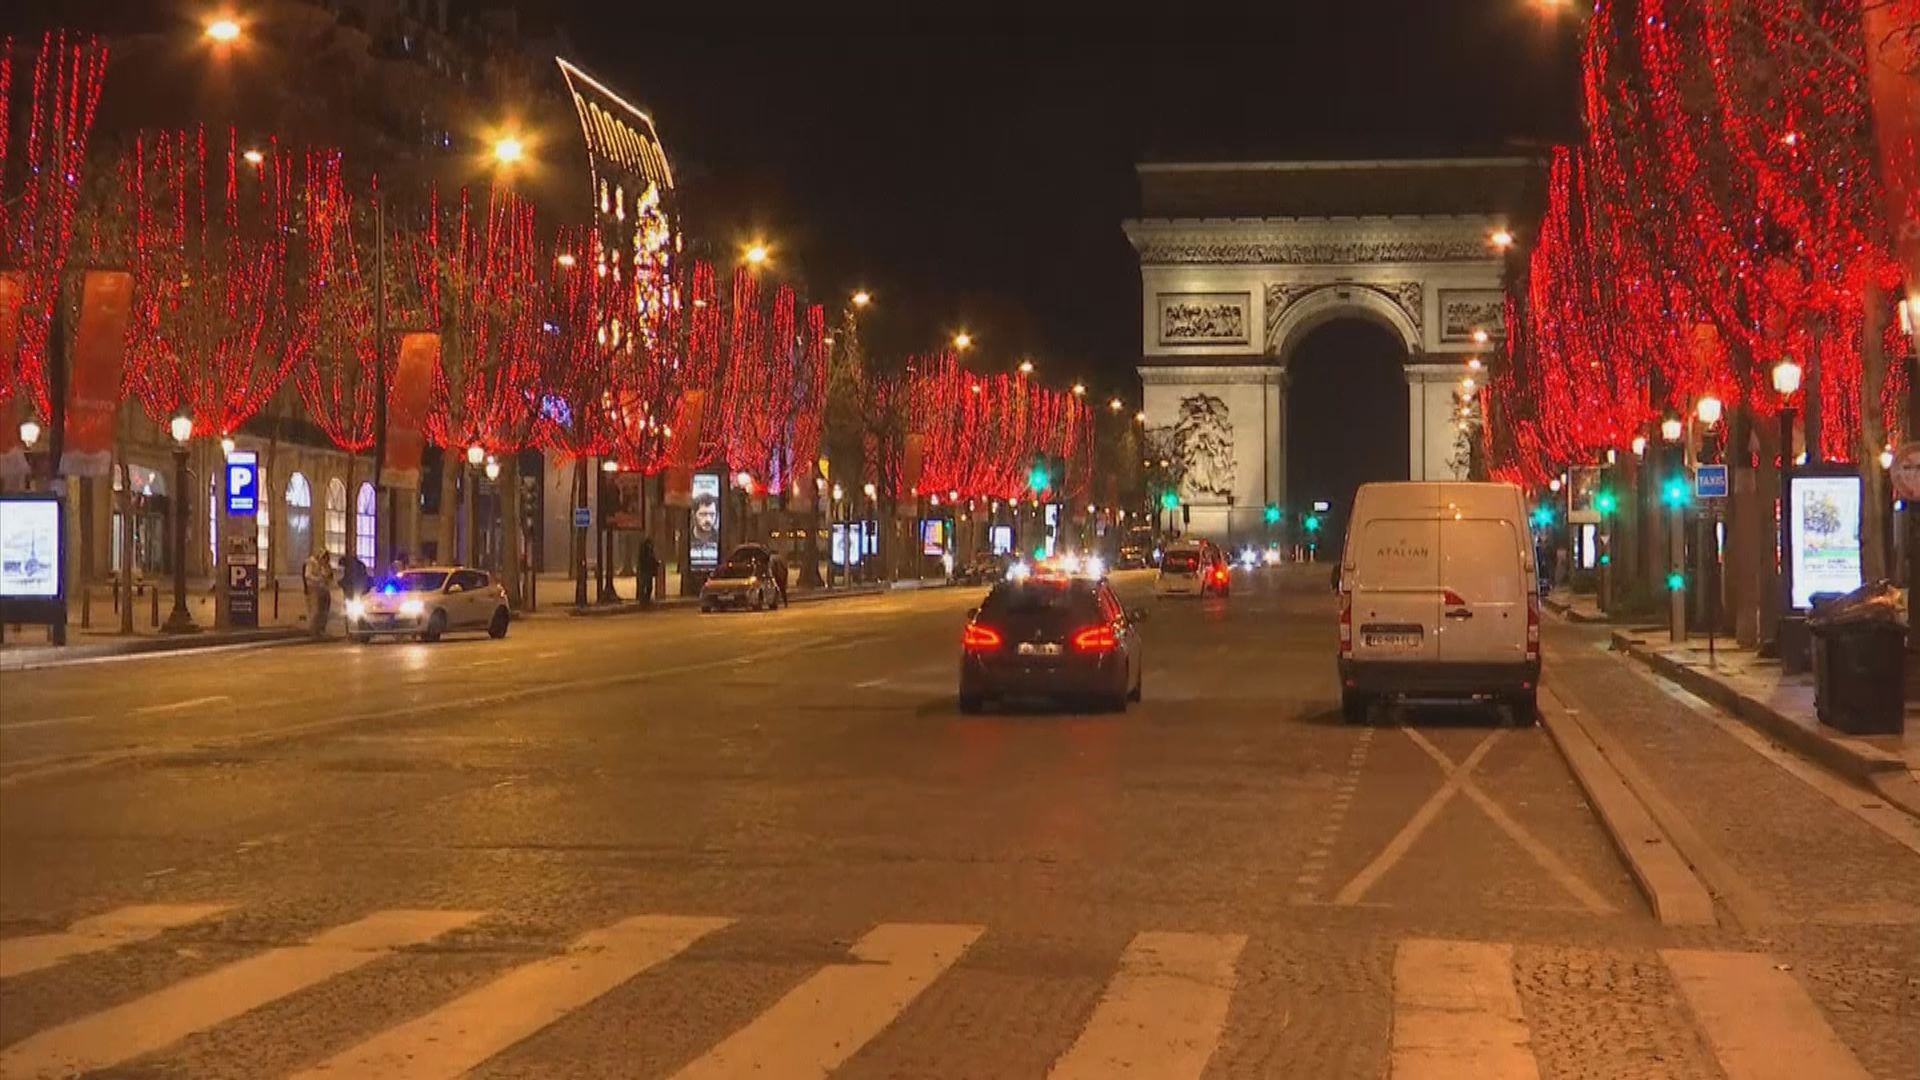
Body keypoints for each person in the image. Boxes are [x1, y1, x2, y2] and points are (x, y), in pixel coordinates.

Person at [302, 547, 335, 638]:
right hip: (313, 589)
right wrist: (319, 579)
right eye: (325, 558)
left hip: (323, 589)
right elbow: (307, 576)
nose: (325, 561)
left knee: (324, 610)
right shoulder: (311, 562)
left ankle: (321, 629)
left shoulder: (325, 565)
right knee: (315, 610)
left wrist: (327, 577)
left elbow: (329, 577)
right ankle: (313, 631)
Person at [637, 536, 659, 605]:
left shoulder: (647, 551)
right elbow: (648, 560)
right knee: (645, 585)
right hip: (645, 570)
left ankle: (645, 599)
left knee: (647, 585)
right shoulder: (645, 552)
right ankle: (644, 599)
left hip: (646, 570)